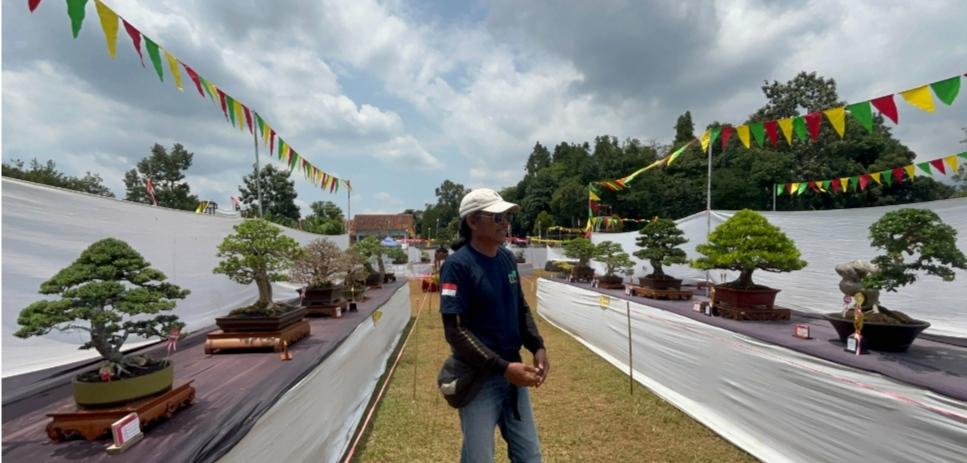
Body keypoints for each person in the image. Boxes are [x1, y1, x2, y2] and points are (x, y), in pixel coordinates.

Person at [440, 188, 549, 463]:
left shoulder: (506, 258)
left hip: (514, 372)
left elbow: (519, 306)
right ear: (473, 222)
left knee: (530, 455)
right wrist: (503, 369)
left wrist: (537, 345)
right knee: (479, 458)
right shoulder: (457, 266)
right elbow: (455, 330)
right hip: (478, 378)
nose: (505, 223)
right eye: (496, 216)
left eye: (506, 216)